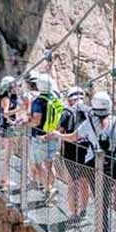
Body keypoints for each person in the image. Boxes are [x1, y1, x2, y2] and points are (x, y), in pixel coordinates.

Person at [44, 91, 116, 231]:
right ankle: (104, 219)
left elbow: (73, 137)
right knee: (105, 192)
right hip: (113, 164)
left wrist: (58, 135)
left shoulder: (88, 124)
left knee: (98, 194)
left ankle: (102, 223)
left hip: (92, 164)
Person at [29, 72, 64, 203]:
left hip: (40, 138)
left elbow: (36, 121)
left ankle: (48, 189)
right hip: (52, 136)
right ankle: (52, 189)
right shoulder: (55, 99)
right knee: (49, 164)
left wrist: (26, 122)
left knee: (38, 165)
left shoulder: (38, 101)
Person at [59, 86, 90, 220]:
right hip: (88, 152)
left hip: (70, 152)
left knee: (72, 184)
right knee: (84, 182)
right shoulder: (91, 112)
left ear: (70, 100)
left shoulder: (67, 111)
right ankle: (83, 210)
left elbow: (60, 131)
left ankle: (73, 214)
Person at [0, 76, 19, 191]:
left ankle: (5, 179)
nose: (15, 87)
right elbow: (5, 113)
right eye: (13, 85)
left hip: (4, 127)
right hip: (8, 128)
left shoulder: (1, 97)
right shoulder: (6, 98)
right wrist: (19, 109)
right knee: (7, 156)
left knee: (7, 155)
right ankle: (4, 182)